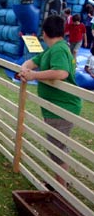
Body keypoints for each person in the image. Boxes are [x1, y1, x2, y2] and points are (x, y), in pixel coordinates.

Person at [19, 14, 82, 188]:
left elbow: (61, 73)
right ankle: (59, 182)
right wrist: (25, 70)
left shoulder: (59, 49)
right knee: (57, 146)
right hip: (54, 107)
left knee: (57, 148)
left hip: (63, 107)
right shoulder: (51, 49)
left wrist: (34, 75)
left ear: (44, 33)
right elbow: (32, 61)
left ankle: (60, 187)